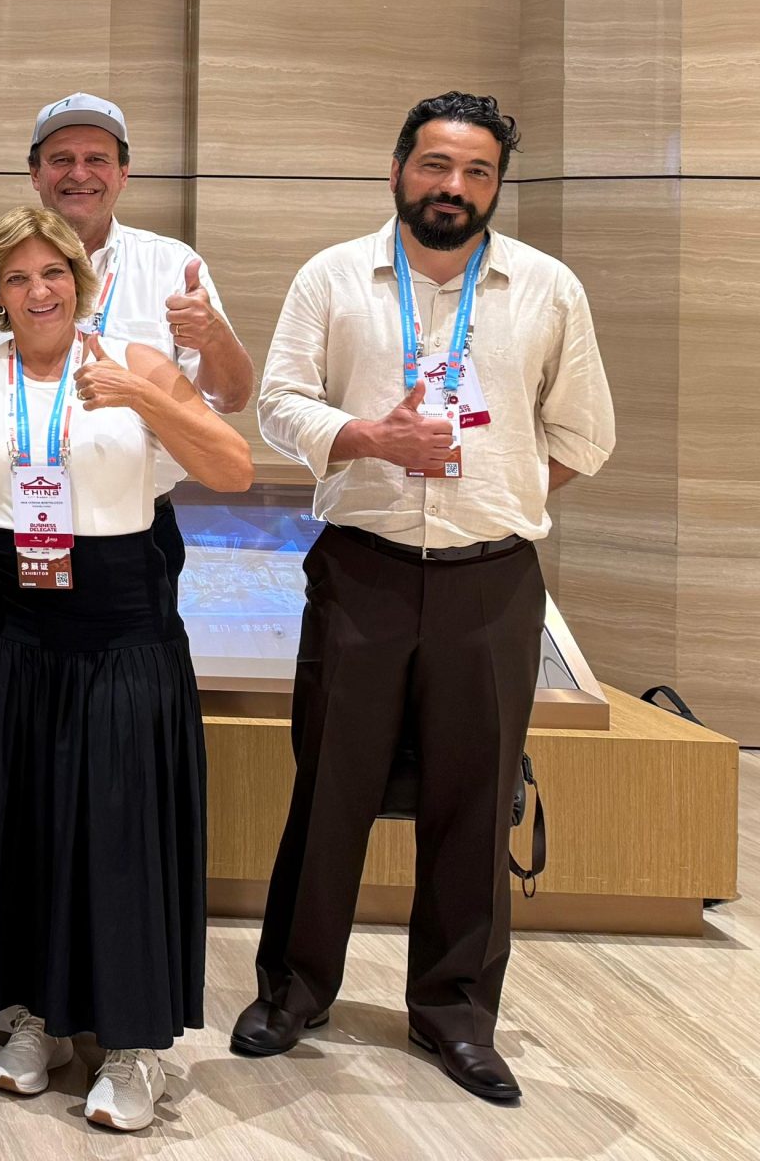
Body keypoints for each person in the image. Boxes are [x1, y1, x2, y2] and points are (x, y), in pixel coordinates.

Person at [235, 92, 614, 1108]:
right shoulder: (332, 277)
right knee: (330, 788)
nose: (454, 187)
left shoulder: (547, 288)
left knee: (475, 800)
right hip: (360, 569)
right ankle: (292, 991)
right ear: (398, 169)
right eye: (436, 165)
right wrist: (372, 440)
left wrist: (494, 495)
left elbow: (581, 436)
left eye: (477, 171)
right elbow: (279, 404)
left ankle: (455, 1015)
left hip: (492, 581)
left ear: (496, 186)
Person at [0, 205, 251, 1134]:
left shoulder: (135, 363)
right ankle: (38, 1018)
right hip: (4, 627)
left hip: (120, 631)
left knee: (119, 831)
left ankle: (135, 1046)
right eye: (17, 278)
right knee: (21, 824)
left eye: (53, 273)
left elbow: (232, 466)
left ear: (80, 280)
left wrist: (144, 398)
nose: (38, 292)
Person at [0, 93, 253, 572]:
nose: (79, 173)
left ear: (124, 172)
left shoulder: (172, 265)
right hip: (2, 520)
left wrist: (215, 338)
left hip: (135, 525)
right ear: (35, 173)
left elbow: (231, 399)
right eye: (61, 160)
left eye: (97, 159)